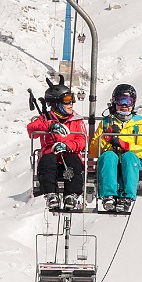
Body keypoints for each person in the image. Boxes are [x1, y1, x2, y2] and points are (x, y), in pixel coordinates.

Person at [27, 76, 87, 211]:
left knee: (74, 161)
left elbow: (82, 140)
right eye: (66, 102)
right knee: (47, 160)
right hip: (52, 157)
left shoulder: (76, 120)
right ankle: (50, 194)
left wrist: (68, 146)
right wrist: (49, 126)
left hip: (69, 156)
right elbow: (31, 130)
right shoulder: (45, 119)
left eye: (72, 100)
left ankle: (71, 194)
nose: (71, 104)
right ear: (56, 104)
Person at [89, 84, 142, 213]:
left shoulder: (139, 124)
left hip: (130, 162)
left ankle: (127, 197)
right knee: (109, 156)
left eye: (128, 102)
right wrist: (106, 138)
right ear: (114, 102)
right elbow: (93, 151)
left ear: (133, 103)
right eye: (120, 101)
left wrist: (125, 145)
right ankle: (108, 195)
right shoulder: (106, 123)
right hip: (111, 163)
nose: (124, 105)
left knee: (129, 156)